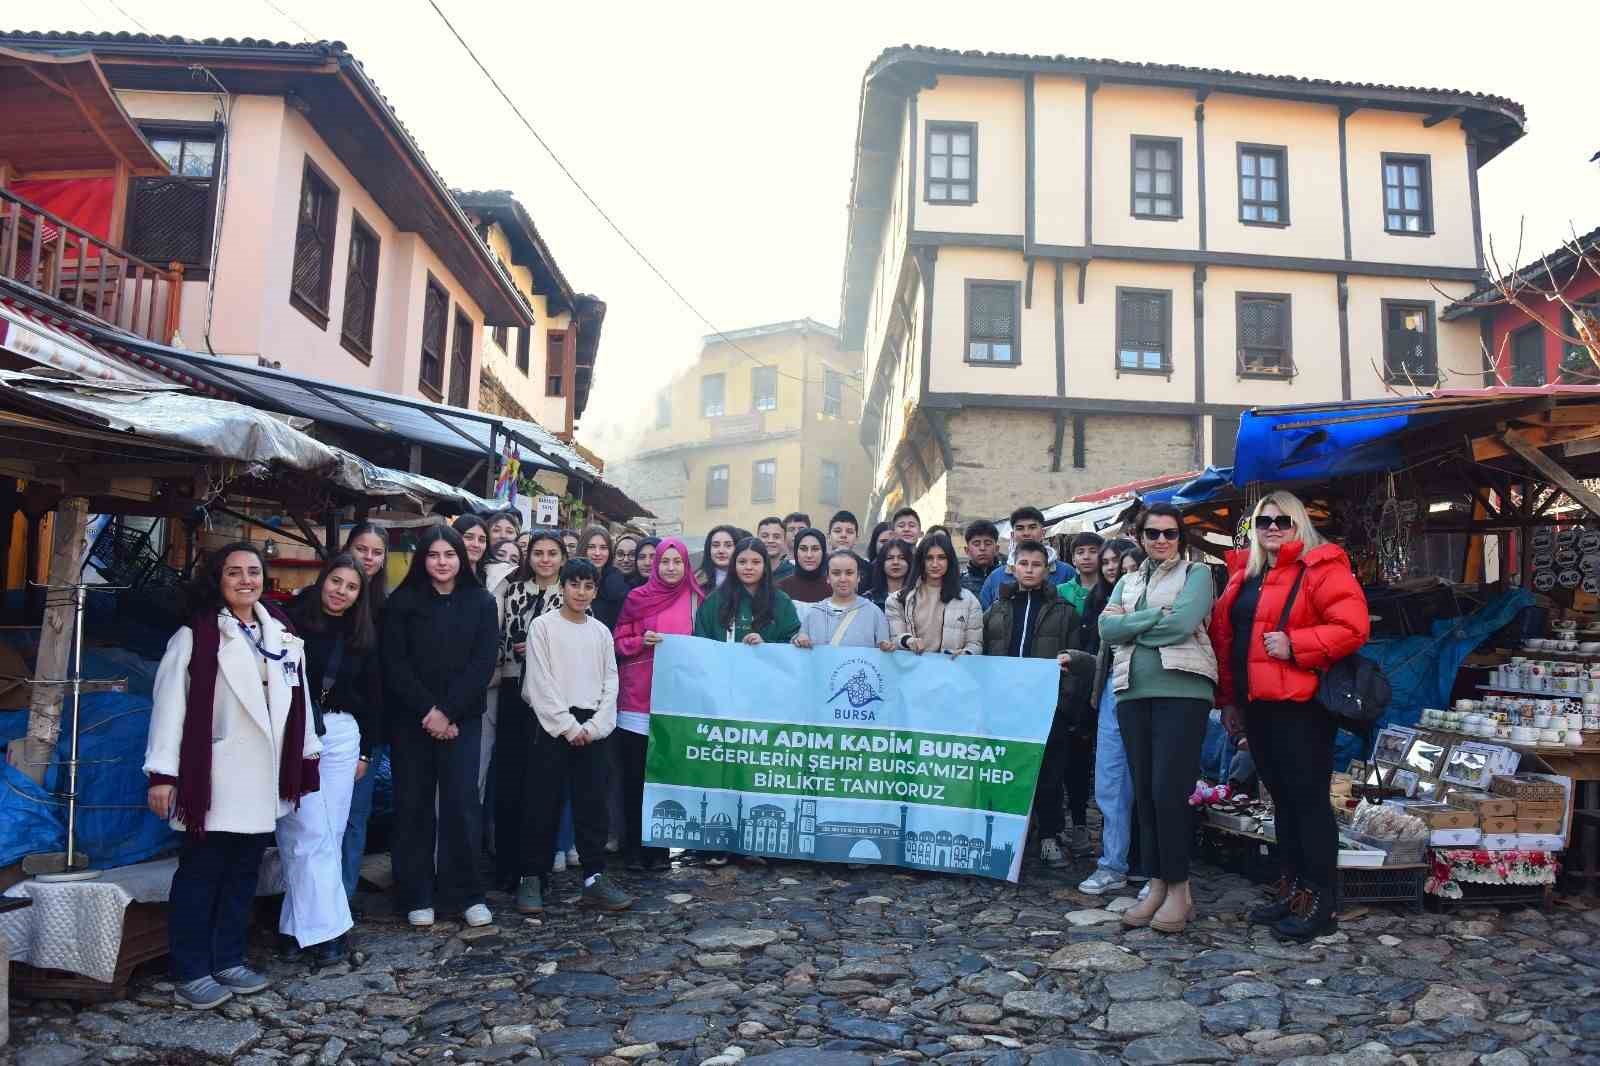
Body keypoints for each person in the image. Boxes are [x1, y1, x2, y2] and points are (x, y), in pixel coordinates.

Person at [145, 542, 320, 1008]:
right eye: (234, 572)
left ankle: (228, 958)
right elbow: (169, 707)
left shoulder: (281, 631)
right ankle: (191, 969)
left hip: (262, 777)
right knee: (201, 873)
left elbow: (297, 703)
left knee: (244, 873)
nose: (246, 580)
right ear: (217, 580)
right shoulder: (197, 635)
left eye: (254, 571)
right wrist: (162, 773)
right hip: (215, 777)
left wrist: (306, 758)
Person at [1211, 491, 1369, 941]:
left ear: (1299, 523)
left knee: (1309, 802)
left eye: (1283, 520)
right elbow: (1228, 641)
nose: (1274, 528)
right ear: (1254, 528)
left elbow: (1352, 627)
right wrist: (1229, 701)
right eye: (1265, 522)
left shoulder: (1322, 567)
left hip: (1301, 707)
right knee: (1282, 800)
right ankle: (1296, 890)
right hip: (1257, 704)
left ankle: (1322, 900)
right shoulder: (1246, 573)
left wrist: (1297, 645)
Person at [1100, 504, 1217, 935]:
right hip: (1132, 692)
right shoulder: (1129, 580)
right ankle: (1155, 883)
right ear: (1141, 536)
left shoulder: (1197, 575)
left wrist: (1130, 625)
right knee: (1145, 792)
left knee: (1170, 791)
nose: (1161, 540)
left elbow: (1182, 624)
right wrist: (1149, 619)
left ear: (1180, 537)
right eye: (1153, 533)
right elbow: (1105, 631)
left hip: (1182, 691)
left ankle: (1180, 888)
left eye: (1170, 533)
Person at [382, 524, 499, 929]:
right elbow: (395, 664)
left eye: (449, 555)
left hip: (461, 720)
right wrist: (429, 712)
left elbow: (482, 664)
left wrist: (447, 712)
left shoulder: (481, 602)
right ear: (422, 559)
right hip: (412, 720)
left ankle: (466, 893)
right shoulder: (403, 602)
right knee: (413, 805)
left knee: (461, 806)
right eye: (433, 555)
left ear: (461, 558)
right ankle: (415, 894)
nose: (442, 562)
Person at [516, 558, 635, 914]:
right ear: (563, 587)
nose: (581, 593)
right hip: (553, 724)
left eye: (588, 587)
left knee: (592, 806)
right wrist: (567, 726)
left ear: (595, 591)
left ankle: (594, 878)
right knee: (541, 804)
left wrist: (595, 726)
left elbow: (611, 681)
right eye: (575, 585)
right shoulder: (543, 627)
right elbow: (540, 683)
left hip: (592, 728)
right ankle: (532, 876)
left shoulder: (600, 632)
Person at [282, 554, 380, 967]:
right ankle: (331, 930)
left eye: (351, 586)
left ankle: (294, 928)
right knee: (302, 832)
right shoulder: (292, 622)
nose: (341, 591)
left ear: (360, 594)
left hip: (342, 735)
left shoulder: (364, 634)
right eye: (336, 581)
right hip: (294, 732)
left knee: (328, 834)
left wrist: (366, 751)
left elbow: (376, 697)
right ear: (324, 580)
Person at [981, 540, 1096, 868]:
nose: (1029, 570)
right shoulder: (997, 610)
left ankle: (1049, 835)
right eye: (1024, 564)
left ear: (1048, 570)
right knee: (1004, 771)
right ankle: (1004, 834)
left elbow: (1074, 663)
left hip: (1046, 707)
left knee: (1048, 774)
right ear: (1013, 567)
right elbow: (985, 652)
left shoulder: (1064, 612)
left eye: (1036, 564)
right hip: (1004, 707)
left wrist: (1063, 706)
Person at [613, 538, 702, 871]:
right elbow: (618, 640)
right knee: (635, 777)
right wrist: (640, 641)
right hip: (637, 699)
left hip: (677, 703)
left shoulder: (696, 600)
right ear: (654, 565)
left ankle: (660, 849)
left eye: (677, 561)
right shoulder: (637, 598)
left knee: (666, 776)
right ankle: (633, 849)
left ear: (685, 565)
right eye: (664, 561)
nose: (670, 567)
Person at [494, 530, 571, 887]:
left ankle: (536, 864)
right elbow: (499, 639)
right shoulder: (513, 591)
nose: (544, 559)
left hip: (553, 694)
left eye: (552, 553)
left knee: (543, 781)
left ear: (562, 558)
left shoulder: (571, 594)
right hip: (513, 688)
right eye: (538, 552)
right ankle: (508, 864)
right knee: (510, 778)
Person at [1077, 539, 1145, 896]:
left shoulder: (1157, 596)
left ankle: (1155, 868)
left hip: (1148, 687)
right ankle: (1113, 863)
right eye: (1111, 563)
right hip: (1110, 693)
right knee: (1110, 782)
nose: (1115, 568)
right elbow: (1104, 648)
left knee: (1149, 783)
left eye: (1124, 563)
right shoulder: (1102, 603)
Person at [338, 523, 388, 901]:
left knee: (356, 816)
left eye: (376, 552)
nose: (368, 558)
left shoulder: (388, 608)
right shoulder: (322, 602)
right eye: (361, 549)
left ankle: (343, 900)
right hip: (323, 725)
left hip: (368, 728)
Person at [886, 532, 982, 656]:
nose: (935, 564)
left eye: (941, 557)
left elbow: (975, 644)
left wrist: (966, 654)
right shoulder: (897, 600)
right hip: (910, 670)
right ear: (921, 561)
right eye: (929, 558)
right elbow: (895, 637)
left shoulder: (969, 601)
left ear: (950, 561)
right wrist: (908, 641)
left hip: (951, 670)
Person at [694, 538, 801, 645]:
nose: (748, 567)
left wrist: (766, 645)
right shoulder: (714, 601)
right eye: (742, 562)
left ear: (765, 566)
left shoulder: (781, 601)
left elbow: (791, 643)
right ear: (734, 565)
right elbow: (701, 642)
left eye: (756, 562)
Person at [979, 506, 1073, 608]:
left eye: (1032, 527)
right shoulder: (996, 577)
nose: (1026, 533)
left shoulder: (1066, 572)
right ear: (1012, 535)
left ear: (1043, 533)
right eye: (1020, 528)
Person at [793, 551, 889, 649]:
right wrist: (799, 639)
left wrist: (886, 646)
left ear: (859, 577)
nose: (843, 579)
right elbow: (799, 646)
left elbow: (883, 652)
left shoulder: (873, 613)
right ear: (828, 578)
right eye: (836, 573)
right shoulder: (814, 613)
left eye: (849, 573)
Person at [580, 524, 632, 630]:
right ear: (583, 548)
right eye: (591, 547)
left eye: (603, 548)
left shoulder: (616, 581)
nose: (597, 553)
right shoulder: (570, 577)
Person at [1056, 532, 1106, 614]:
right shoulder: (1060, 591)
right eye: (1080, 552)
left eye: (1093, 551)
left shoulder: (1113, 589)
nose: (1086, 557)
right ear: (1073, 560)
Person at [778, 527, 830, 604]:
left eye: (815, 549)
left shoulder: (834, 587)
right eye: (803, 549)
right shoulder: (781, 589)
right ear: (796, 552)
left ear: (823, 552)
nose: (809, 555)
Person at [865, 538, 912, 610]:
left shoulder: (917, 597)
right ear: (882, 563)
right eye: (890, 558)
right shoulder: (869, 599)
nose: (895, 562)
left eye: (901, 558)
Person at [961, 519, 1002, 598]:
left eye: (988, 543)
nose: (982, 548)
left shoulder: (1008, 579)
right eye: (976, 544)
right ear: (967, 550)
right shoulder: (959, 584)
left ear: (996, 549)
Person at [698, 524, 740, 593]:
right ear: (709, 549)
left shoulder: (747, 579)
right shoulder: (697, 581)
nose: (721, 551)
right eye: (716, 545)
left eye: (728, 545)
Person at [452, 514, 490, 581]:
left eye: (481, 540)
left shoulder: (491, 579)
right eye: (469, 537)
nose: (476, 545)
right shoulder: (442, 576)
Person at [757, 516, 793, 581]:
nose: (770, 540)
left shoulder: (793, 573)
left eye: (776, 537)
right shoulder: (749, 572)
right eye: (765, 536)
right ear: (757, 539)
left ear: (784, 541)